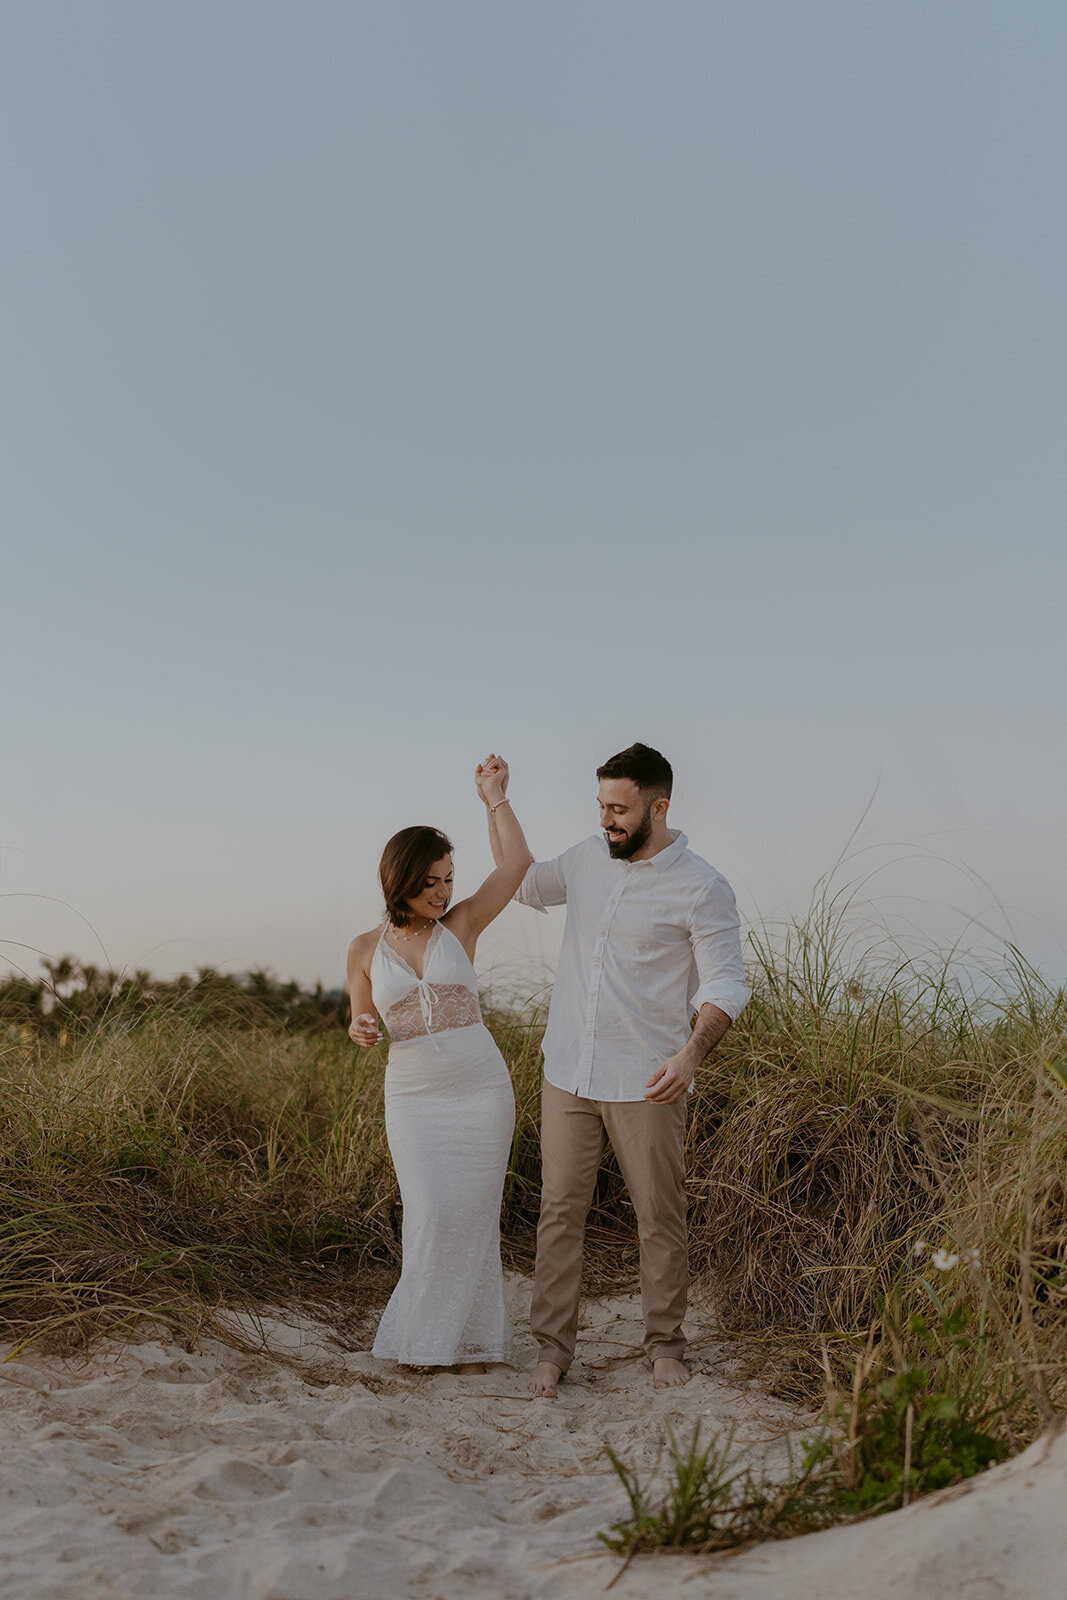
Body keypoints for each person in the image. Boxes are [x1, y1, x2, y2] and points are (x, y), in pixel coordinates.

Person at [481, 743, 749, 1396]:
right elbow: (522, 880)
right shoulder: (585, 858)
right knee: (558, 1212)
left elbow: (727, 985)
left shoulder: (702, 886)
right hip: (567, 1068)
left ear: (658, 808)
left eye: (619, 808)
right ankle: (552, 1350)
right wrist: (496, 802)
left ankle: (663, 1346)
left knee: (659, 1215)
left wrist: (689, 1056)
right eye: (601, 805)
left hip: (647, 1080)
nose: (606, 819)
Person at [347, 756, 533, 1375]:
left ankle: (470, 1347)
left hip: (482, 1091)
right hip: (415, 1099)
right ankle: (427, 1344)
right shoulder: (363, 949)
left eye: (449, 879)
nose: (443, 893)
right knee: (430, 1214)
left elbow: (516, 867)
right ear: (398, 879)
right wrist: (362, 1027)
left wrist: (493, 798)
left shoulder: (461, 927)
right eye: (430, 881)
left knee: (474, 1219)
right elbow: (359, 1019)